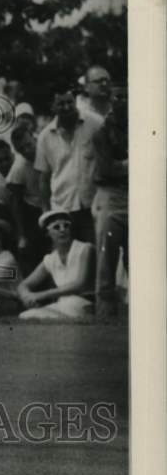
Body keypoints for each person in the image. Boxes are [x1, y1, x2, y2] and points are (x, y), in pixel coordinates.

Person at [34, 89, 100, 244]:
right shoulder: (45, 137)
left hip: (92, 206)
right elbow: (43, 178)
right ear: (53, 107)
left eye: (69, 102)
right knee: (69, 257)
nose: (66, 107)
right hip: (62, 209)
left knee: (93, 254)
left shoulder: (95, 124)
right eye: (61, 104)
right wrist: (46, 212)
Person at [17, 210, 95, 321]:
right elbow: (23, 285)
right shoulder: (50, 259)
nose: (63, 230)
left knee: (36, 317)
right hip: (63, 305)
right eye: (56, 227)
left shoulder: (85, 249)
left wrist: (41, 295)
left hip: (84, 303)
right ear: (47, 233)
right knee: (25, 316)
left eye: (66, 226)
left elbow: (80, 284)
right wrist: (27, 298)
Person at [91, 87, 128, 319]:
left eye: (127, 96)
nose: (123, 101)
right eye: (119, 97)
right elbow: (106, 169)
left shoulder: (145, 125)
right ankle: (105, 313)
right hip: (111, 194)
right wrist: (129, 164)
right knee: (106, 257)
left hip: (138, 192)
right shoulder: (102, 132)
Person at [6, 119, 45, 275]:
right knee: (35, 252)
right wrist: (22, 233)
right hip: (33, 209)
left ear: (34, 138)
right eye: (21, 149)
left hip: (54, 202)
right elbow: (15, 201)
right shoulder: (19, 167)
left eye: (29, 145)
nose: (27, 151)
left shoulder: (46, 150)